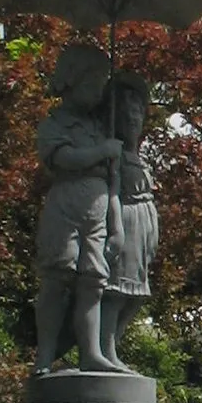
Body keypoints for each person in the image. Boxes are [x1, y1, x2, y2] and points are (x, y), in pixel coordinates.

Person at [33, 43, 121, 373]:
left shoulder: (100, 127)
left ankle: (92, 352)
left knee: (92, 281)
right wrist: (102, 151)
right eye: (94, 82)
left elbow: (113, 182)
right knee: (58, 277)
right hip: (65, 206)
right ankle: (45, 354)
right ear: (73, 81)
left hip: (95, 210)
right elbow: (64, 159)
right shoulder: (55, 125)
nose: (99, 90)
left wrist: (116, 224)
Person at [99, 73, 160, 369]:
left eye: (138, 114)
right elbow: (112, 190)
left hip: (143, 226)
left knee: (136, 296)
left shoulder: (141, 157)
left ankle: (114, 346)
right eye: (127, 115)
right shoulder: (116, 155)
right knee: (117, 290)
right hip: (126, 220)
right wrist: (115, 229)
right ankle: (105, 349)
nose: (134, 120)